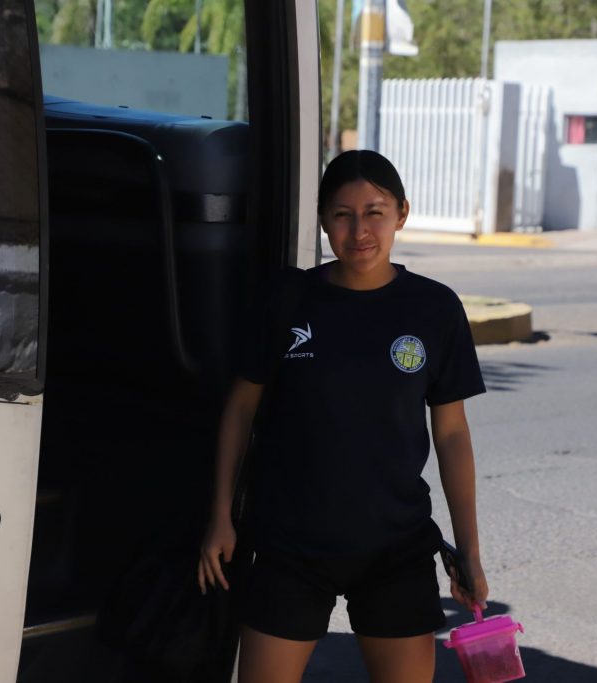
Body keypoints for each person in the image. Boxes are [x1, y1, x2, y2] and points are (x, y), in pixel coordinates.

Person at [198, 150, 489, 683]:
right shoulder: (289, 300)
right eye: (342, 214)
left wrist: (468, 549)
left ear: (402, 213)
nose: (359, 231)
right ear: (322, 218)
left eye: (375, 212)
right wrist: (220, 514)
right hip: (290, 544)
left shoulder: (435, 308)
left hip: (396, 547)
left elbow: (451, 434)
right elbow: (240, 408)